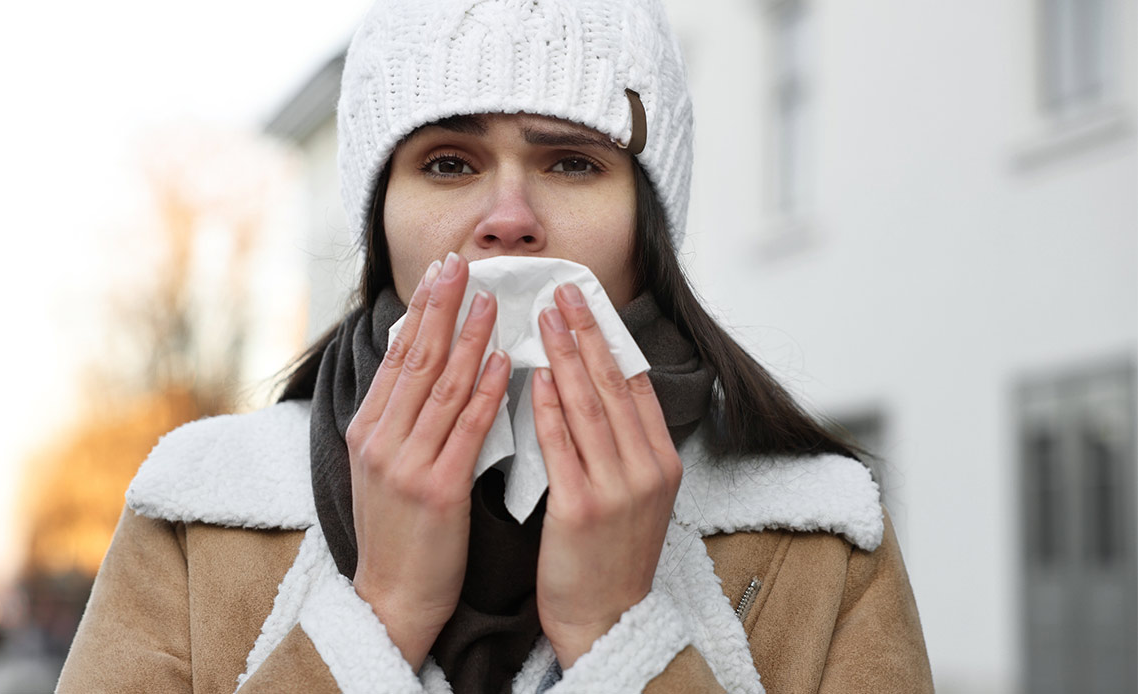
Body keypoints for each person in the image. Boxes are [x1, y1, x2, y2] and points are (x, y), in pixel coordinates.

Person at [57, 0, 934, 692]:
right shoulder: (196, 514)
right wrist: (381, 618)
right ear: (380, 219)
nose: (508, 220)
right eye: (447, 163)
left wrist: (619, 640)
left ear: (648, 221)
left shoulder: (818, 535)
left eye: (571, 163)